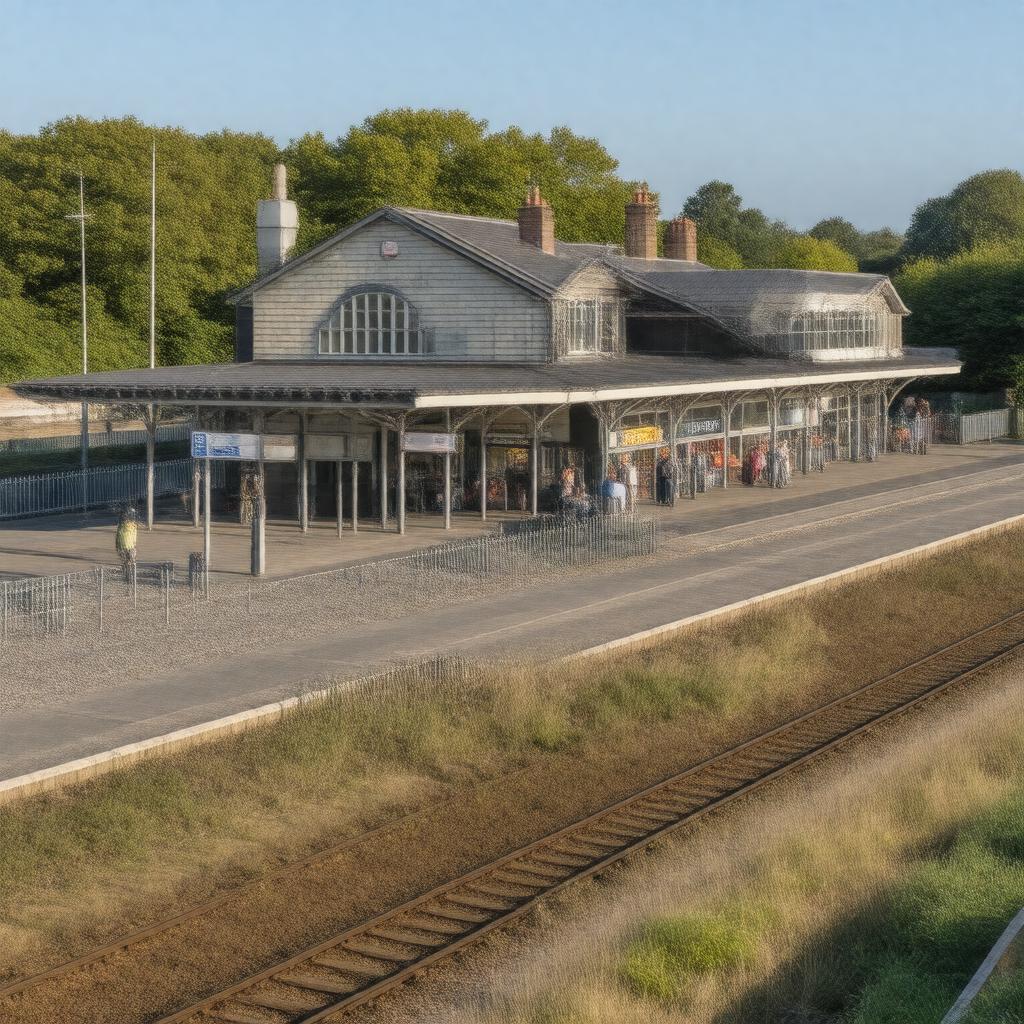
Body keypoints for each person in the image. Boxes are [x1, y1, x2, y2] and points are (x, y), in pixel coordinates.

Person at [115, 506, 138, 583]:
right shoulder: (133, 525)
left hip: (123, 547)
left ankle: (127, 576)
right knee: (131, 562)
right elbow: (134, 537)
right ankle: (131, 576)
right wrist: (134, 546)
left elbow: (118, 536)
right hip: (129, 547)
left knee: (126, 562)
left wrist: (117, 546)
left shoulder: (121, 526)